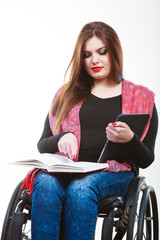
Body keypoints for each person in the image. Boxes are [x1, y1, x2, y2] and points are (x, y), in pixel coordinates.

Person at [22, 21, 158, 240]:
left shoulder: (141, 98)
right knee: (45, 183)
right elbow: (42, 143)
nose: (94, 60)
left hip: (113, 173)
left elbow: (146, 159)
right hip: (67, 169)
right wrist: (61, 138)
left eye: (101, 52)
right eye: (87, 55)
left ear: (113, 52)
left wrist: (131, 139)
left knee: (81, 189)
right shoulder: (66, 95)